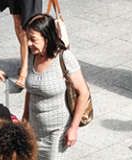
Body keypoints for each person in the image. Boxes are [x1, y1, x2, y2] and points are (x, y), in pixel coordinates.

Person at [21, 12, 90, 159]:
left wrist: (74, 128)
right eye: (27, 39)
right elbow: (31, 91)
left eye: (33, 39)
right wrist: (25, 118)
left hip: (56, 134)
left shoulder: (64, 58)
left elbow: (83, 93)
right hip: (34, 130)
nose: (28, 44)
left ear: (46, 38)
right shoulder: (33, 55)